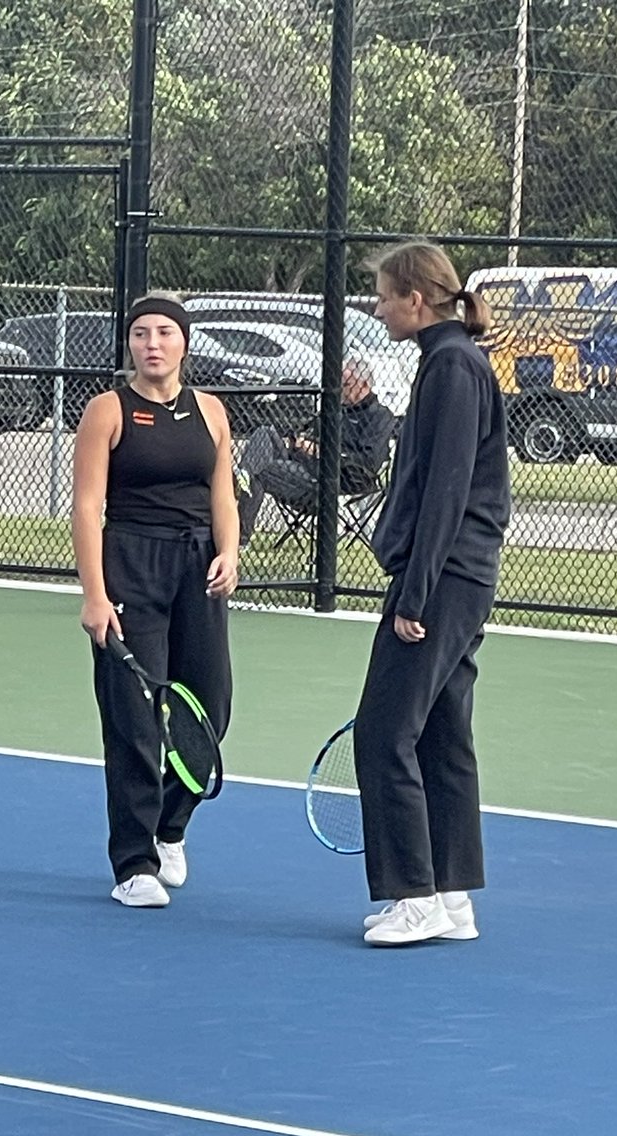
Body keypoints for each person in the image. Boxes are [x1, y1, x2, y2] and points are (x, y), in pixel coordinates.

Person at [354, 241, 511, 947]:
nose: (378, 306)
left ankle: (412, 896)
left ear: (416, 299)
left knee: (384, 734)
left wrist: (413, 595)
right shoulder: (450, 362)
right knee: (444, 732)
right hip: (458, 575)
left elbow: (447, 489)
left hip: (442, 580)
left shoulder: (451, 367)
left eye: (385, 295)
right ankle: (452, 896)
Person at [71, 293, 239, 909]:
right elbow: (88, 508)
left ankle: (170, 827)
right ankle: (134, 862)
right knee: (135, 719)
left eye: (164, 332)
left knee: (210, 710)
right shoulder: (107, 411)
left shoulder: (213, 412)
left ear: (184, 342)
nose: (152, 343)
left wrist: (230, 552)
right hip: (131, 564)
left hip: (198, 570)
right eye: (140, 333)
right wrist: (96, 596)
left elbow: (222, 493)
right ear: (130, 346)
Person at [235, 359, 396, 544]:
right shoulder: (337, 410)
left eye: (346, 384)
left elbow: (368, 463)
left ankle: (240, 537)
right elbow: (308, 430)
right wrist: (301, 440)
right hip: (302, 465)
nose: (340, 389)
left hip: (331, 480)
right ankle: (242, 478)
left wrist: (321, 451)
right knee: (265, 433)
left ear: (364, 385)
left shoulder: (380, 417)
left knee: (261, 470)